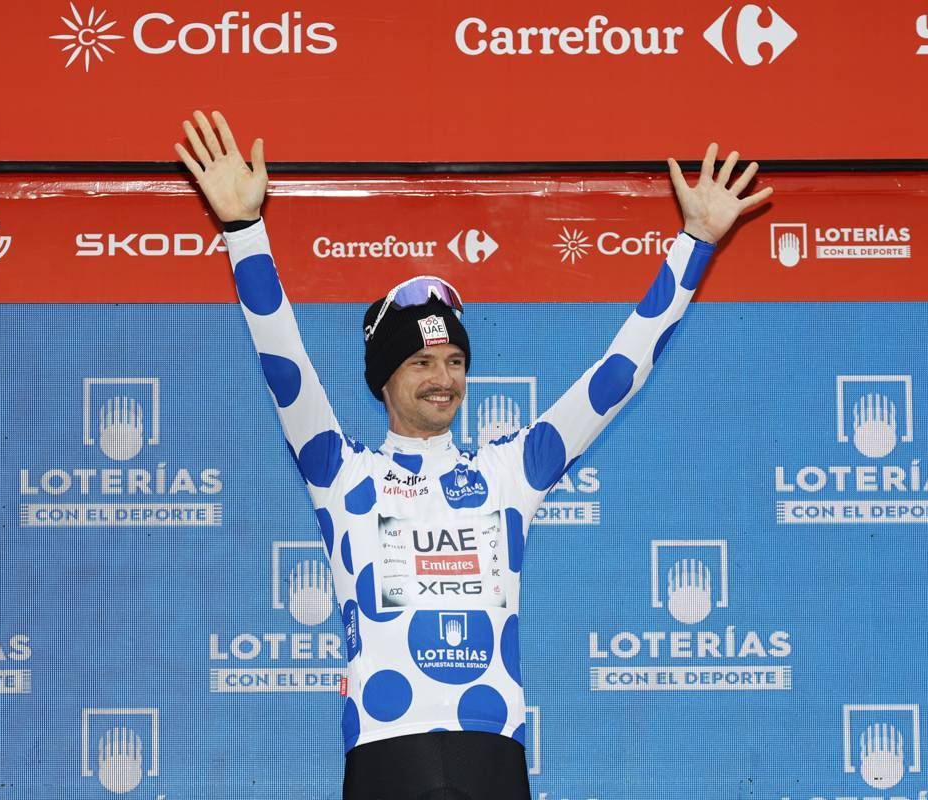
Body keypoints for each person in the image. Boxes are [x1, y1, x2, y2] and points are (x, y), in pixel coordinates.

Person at [175, 110, 772, 800]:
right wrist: (244, 230)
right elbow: (284, 359)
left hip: (492, 753)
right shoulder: (340, 472)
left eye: (455, 361)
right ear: (383, 379)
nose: (444, 378)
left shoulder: (507, 471)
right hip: (384, 753)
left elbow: (615, 375)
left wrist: (695, 243)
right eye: (422, 362)